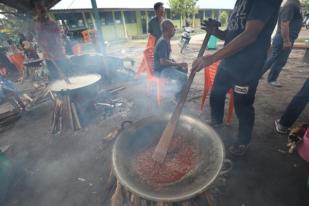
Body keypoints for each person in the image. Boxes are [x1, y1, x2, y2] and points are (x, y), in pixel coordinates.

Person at [192, 0, 282, 156]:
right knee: (216, 95)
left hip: (247, 67)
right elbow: (232, 34)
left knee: (243, 106)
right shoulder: (240, 1)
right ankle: (216, 122)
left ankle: (243, 142)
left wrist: (212, 58)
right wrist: (215, 31)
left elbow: (249, 35)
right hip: (228, 63)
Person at [261, 0, 303, 87]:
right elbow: (284, 23)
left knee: (280, 60)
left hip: (287, 37)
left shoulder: (295, 4)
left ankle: (271, 78)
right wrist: (286, 40)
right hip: (283, 38)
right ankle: (257, 75)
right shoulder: (291, 5)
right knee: (272, 58)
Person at [31, 0, 71, 80]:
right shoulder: (37, 25)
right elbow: (39, 40)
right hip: (48, 54)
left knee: (66, 72)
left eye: (43, 10)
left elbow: (58, 37)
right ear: (37, 11)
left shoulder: (52, 23)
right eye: (40, 10)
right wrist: (45, 51)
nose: (42, 12)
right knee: (55, 76)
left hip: (58, 51)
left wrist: (60, 48)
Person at [154, 19, 188, 101]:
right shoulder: (163, 42)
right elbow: (163, 62)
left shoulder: (166, 39)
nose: (175, 30)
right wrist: (178, 64)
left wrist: (177, 63)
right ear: (167, 30)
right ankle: (177, 97)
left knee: (183, 69)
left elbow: (167, 58)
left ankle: (177, 91)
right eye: (173, 28)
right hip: (160, 71)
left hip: (165, 67)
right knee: (183, 77)